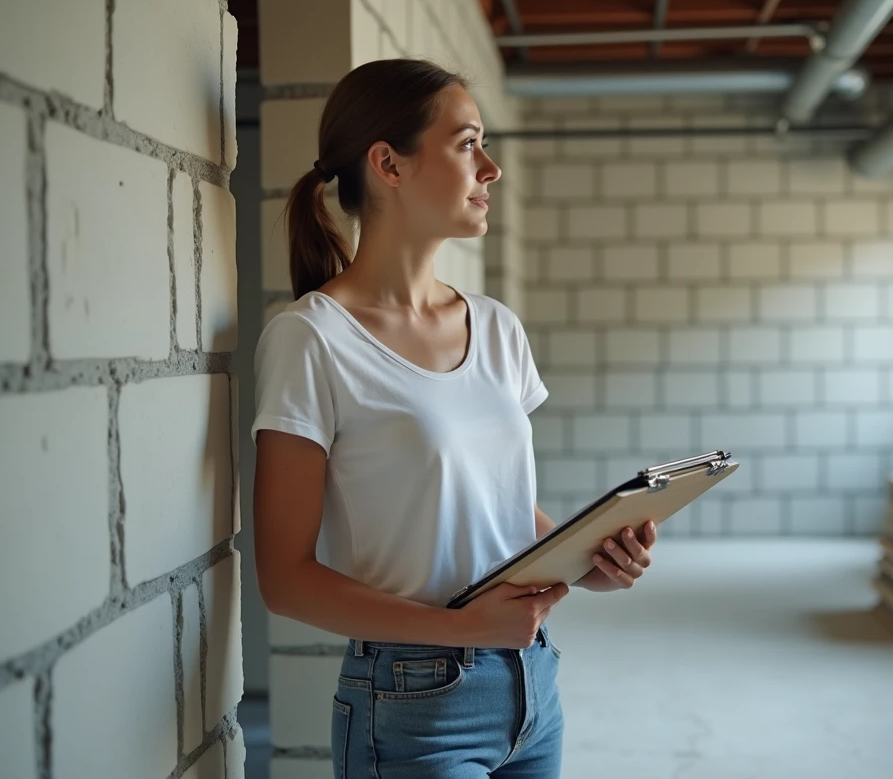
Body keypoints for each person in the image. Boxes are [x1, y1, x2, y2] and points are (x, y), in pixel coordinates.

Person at [250, 58, 658, 779]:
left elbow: (500, 513)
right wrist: (459, 628)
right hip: (413, 706)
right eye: (468, 143)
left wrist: (592, 557)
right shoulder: (311, 338)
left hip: (531, 687)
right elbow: (286, 581)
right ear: (389, 165)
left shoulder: (498, 328)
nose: (491, 168)